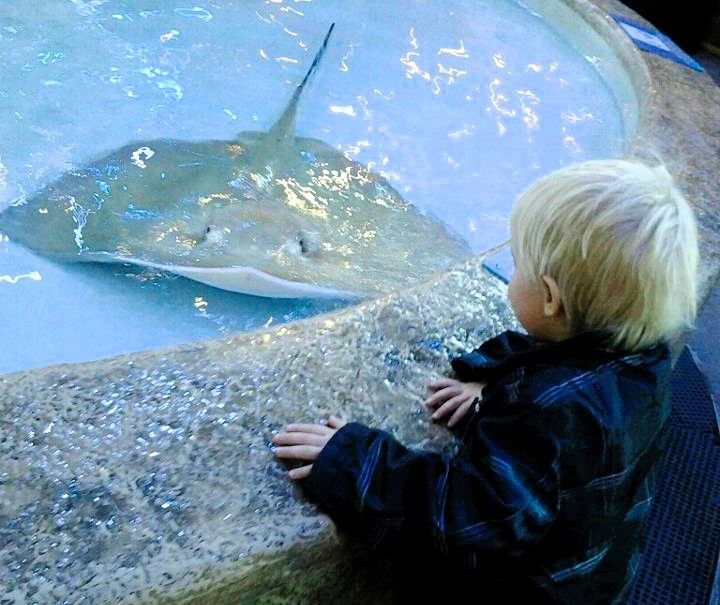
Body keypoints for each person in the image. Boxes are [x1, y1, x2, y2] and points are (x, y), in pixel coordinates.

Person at [272, 159, 699, 604]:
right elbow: (565, 419)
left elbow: (464, 519)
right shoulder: (643, 359)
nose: (512, 275)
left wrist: (353, 460)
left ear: (550, 298)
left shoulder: (542, 413)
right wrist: (490, 387)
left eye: (518, 264)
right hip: (595, 574)